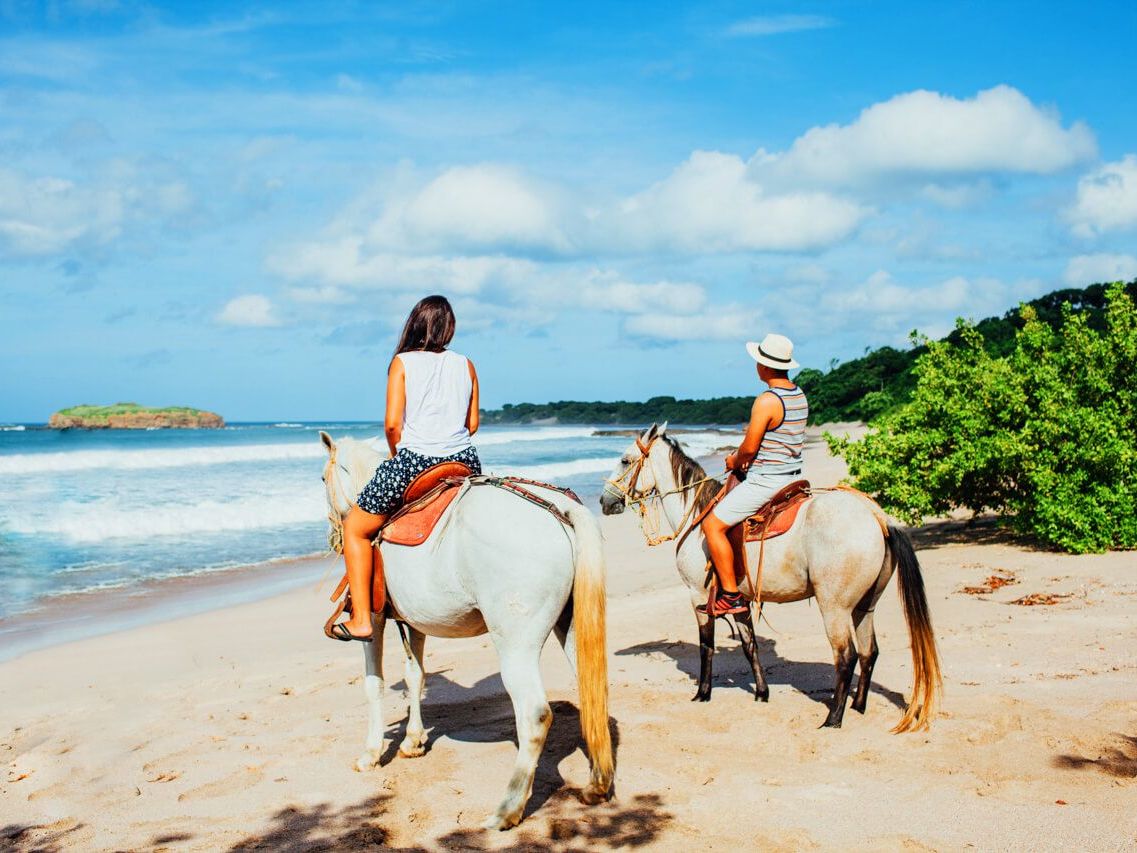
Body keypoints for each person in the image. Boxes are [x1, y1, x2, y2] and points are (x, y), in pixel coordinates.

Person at [327, 295, 482, 641]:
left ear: (415, 323)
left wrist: (400, 455)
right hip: (465, 461)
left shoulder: (402, 362)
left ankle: (362, 620)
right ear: (449, 328)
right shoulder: (466, 364)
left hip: (415, 461)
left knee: (355, 529)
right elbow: (471, 425)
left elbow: (392, 425)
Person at [697, 333, 809, 617]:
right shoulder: (798, 394)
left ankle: (731, 595)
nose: (756, 366)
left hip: (767, 480)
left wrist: (734, 460)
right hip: (793, 476)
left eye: (758, 361)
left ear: (766, 366)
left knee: (712, 526)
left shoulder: (767, 400)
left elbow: (748, 449)